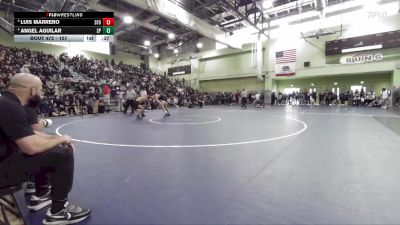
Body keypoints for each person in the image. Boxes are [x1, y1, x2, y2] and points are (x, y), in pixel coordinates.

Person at [0, 73, 91, 224]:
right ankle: (59, 211)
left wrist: (56, 139)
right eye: (41, 91)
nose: (41, 95)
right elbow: (31, 147)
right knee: (63, 154)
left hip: (4, 159)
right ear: (33, 91)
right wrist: (62, 140)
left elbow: (28, 133)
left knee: (50, 146)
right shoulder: (11, 107)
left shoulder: (7, 102)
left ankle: (41, 194)